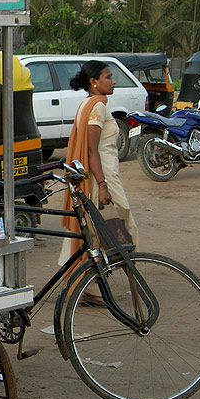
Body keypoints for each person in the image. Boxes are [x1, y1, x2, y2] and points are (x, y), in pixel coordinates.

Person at [59, 61, 139, 292]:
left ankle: (84, 286)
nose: (113, 81)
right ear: (94, 82)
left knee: (92, 231)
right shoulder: (98, 107)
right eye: (108, 77)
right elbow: (92, 149)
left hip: (102, 176)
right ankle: (115, 280)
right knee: (122, 228)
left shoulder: (91, 104)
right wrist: (103, 185)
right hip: (101, 179)